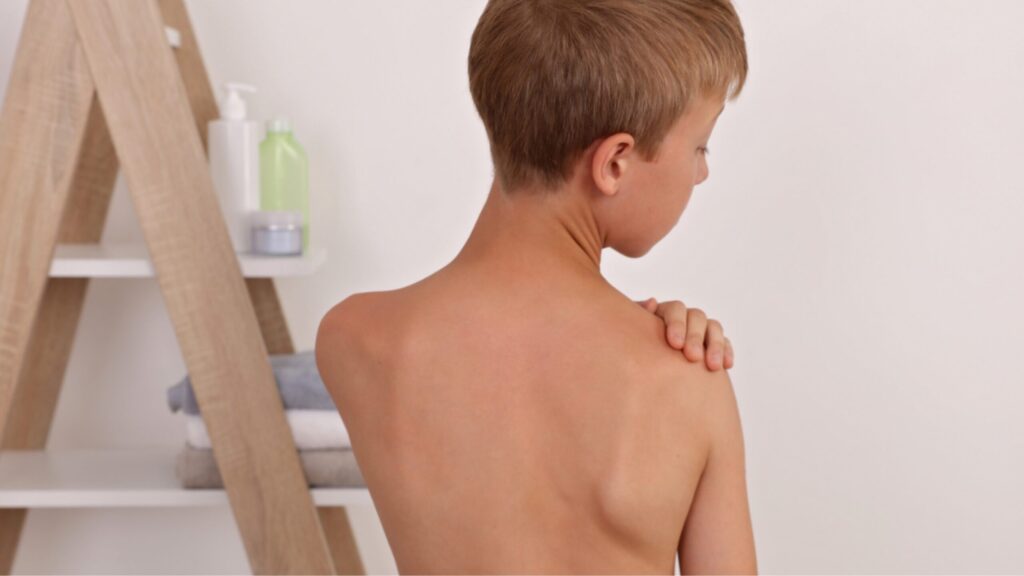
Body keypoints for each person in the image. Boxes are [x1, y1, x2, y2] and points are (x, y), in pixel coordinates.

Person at [316, 0, 754, 573]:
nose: (702, 172)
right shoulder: (687, 380)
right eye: (700, 147)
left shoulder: (356, 339)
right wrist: (641, 337)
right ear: (614, 163)